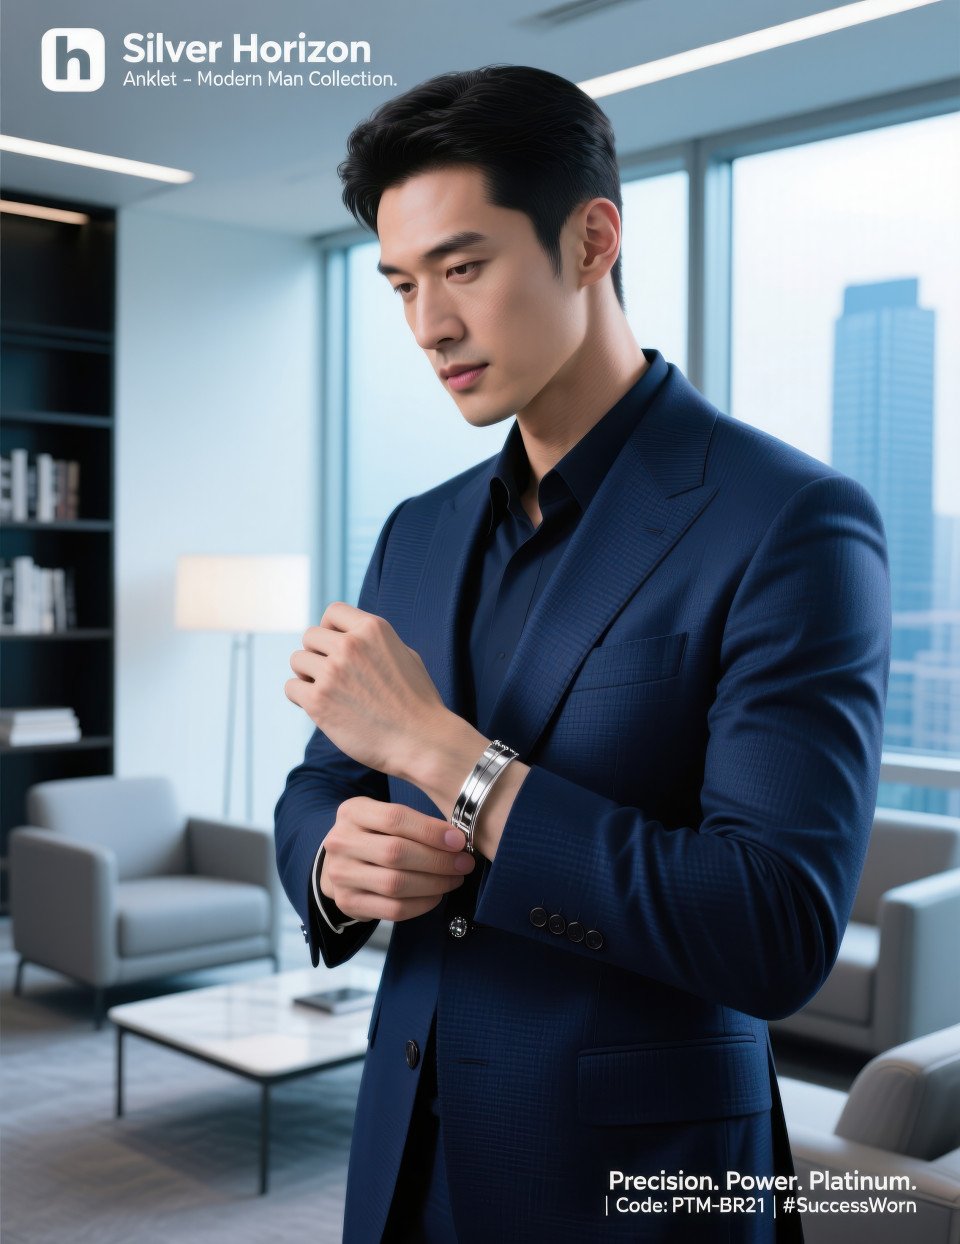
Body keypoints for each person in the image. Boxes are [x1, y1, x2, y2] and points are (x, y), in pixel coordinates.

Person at [273, 64, 890, 1244]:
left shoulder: (788, 520)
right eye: (403, 283)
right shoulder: (418, 527)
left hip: (641, 1188)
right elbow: (321, 786)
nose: (429, 325)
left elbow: (773, 927)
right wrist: (333, 865)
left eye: (463, 267)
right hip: (404, 1159)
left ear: (593, 239)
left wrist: (448, 756)